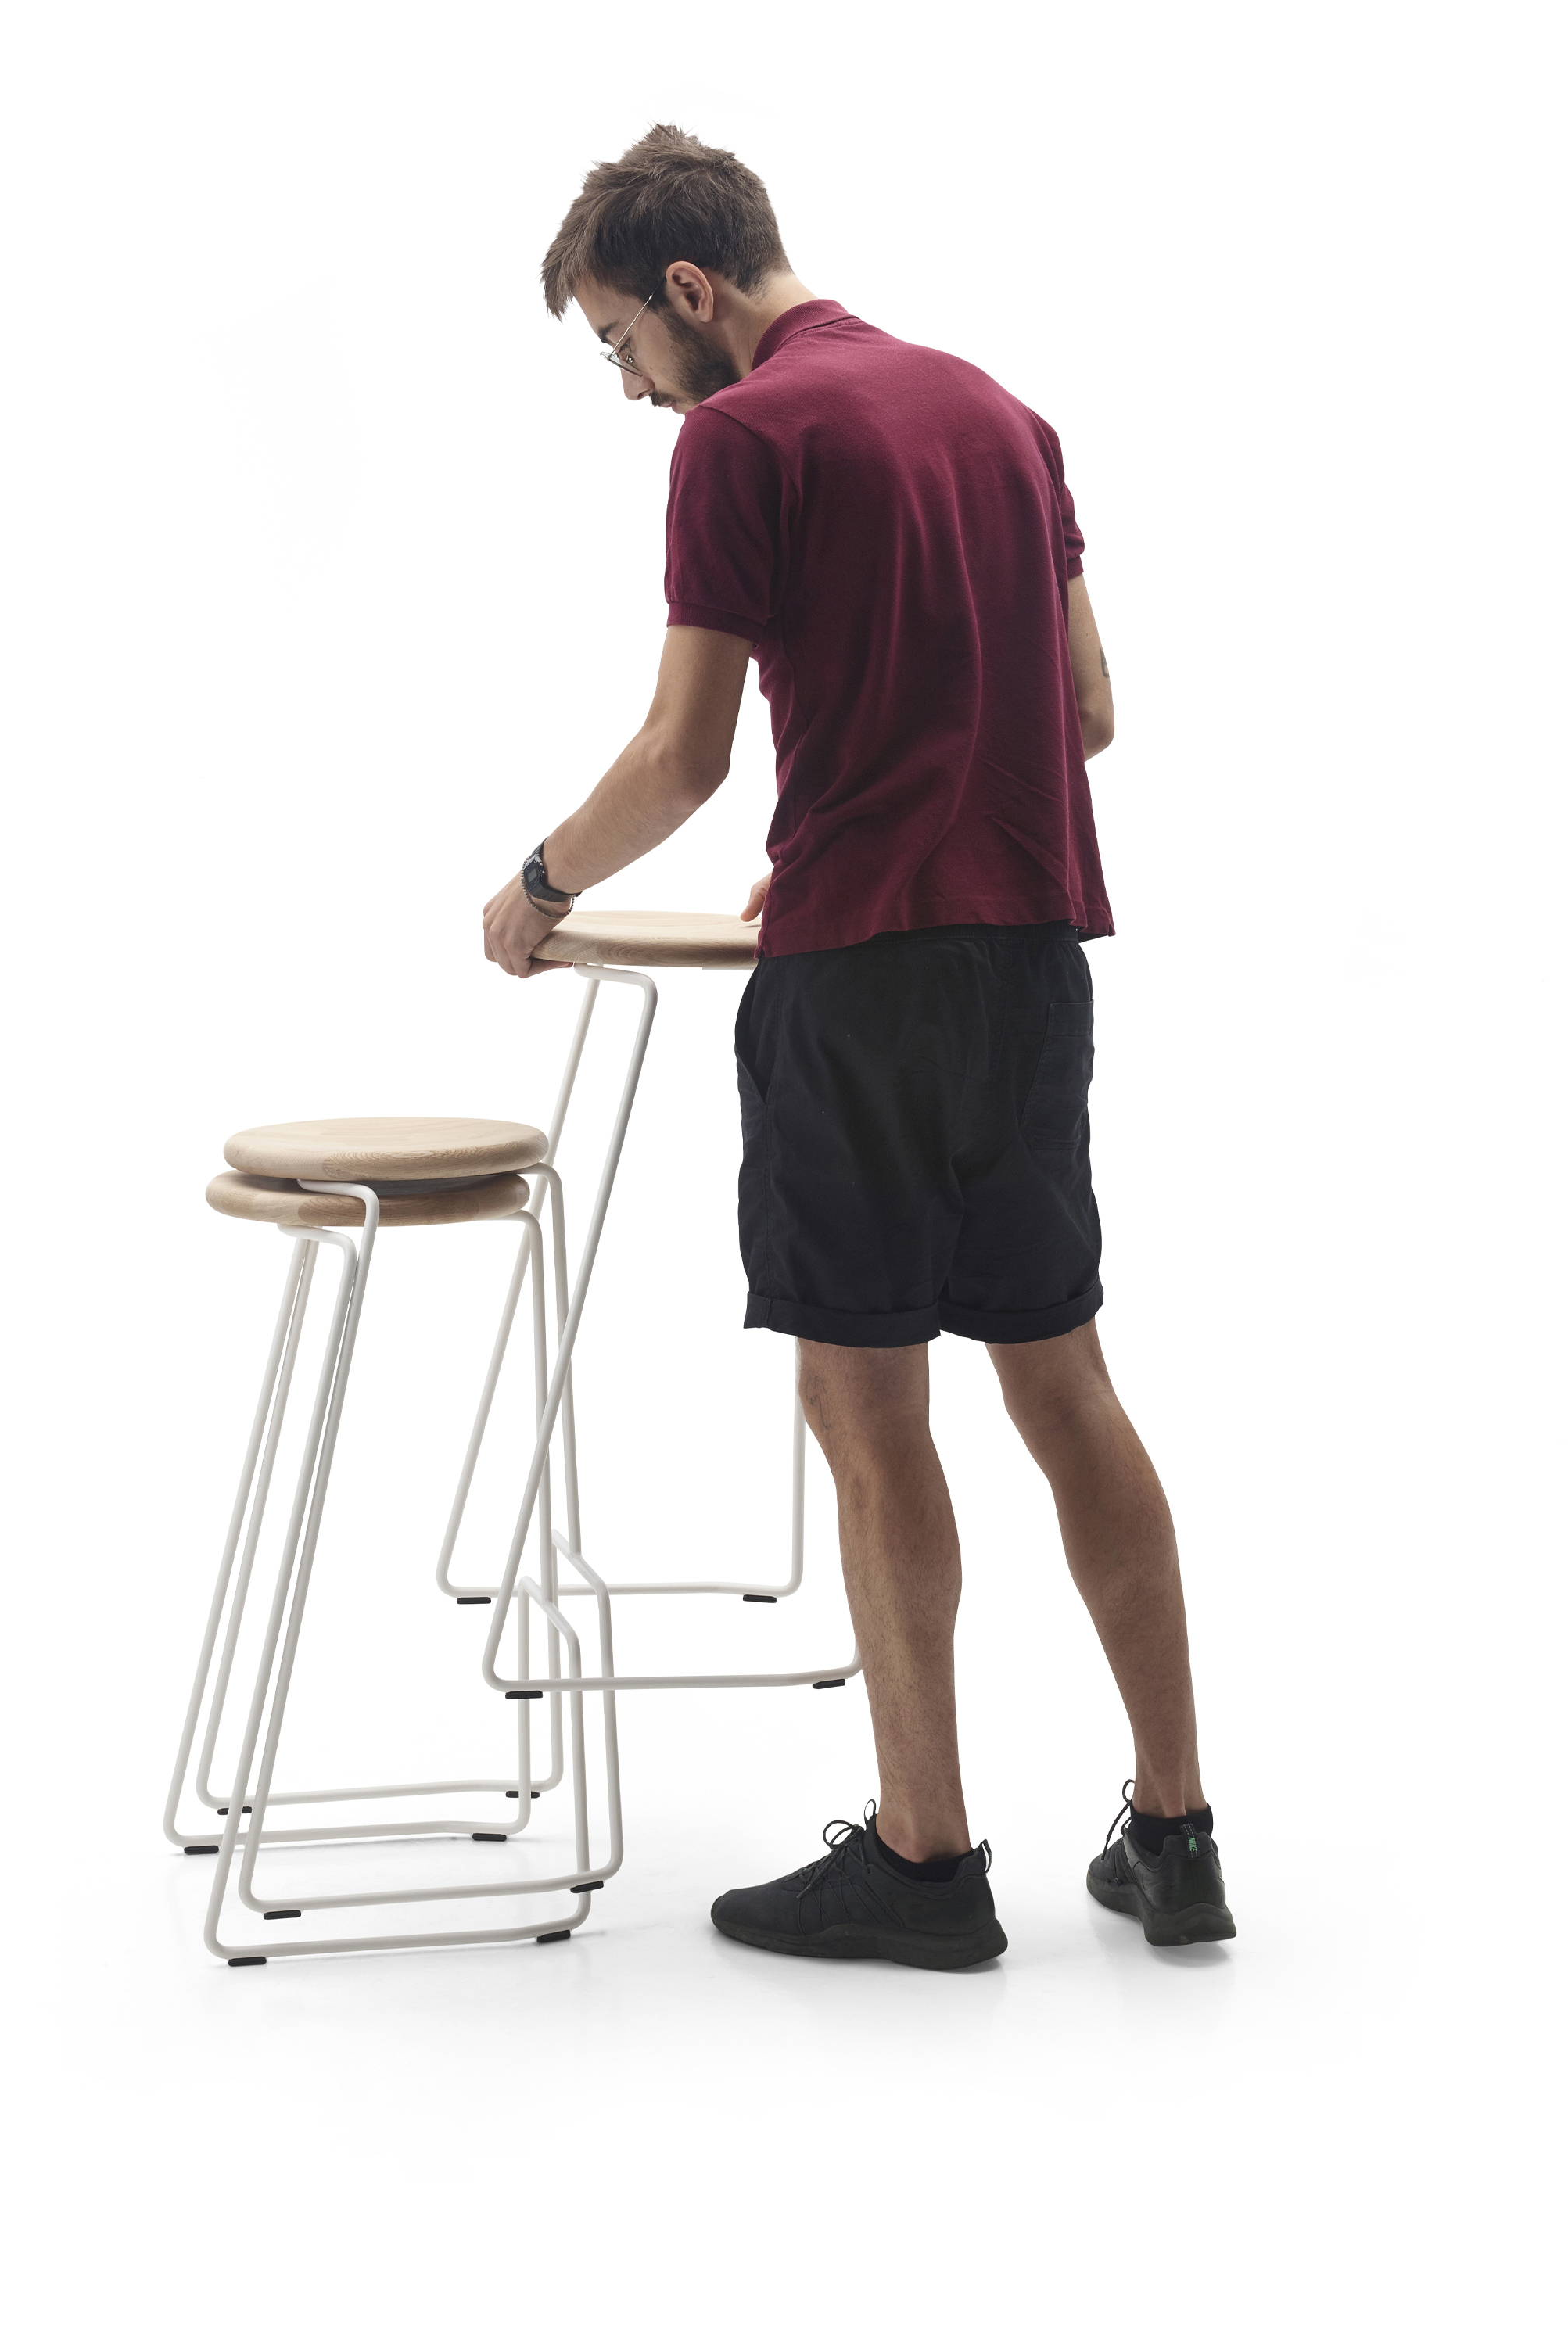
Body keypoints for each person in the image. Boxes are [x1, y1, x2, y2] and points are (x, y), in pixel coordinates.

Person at [483, 124, 1233, 1963]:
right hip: (1026, 961)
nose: (634, 391)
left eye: (621, 345)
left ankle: (922, 1863)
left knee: (866, 1410)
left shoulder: (744, 438)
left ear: (686, 288)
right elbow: (1084, 709)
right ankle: (1176, 1838)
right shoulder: (999, 416)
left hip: (857, 987)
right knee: (1064, 1389)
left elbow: (681, 758)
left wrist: (538, 882)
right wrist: (894, 796)